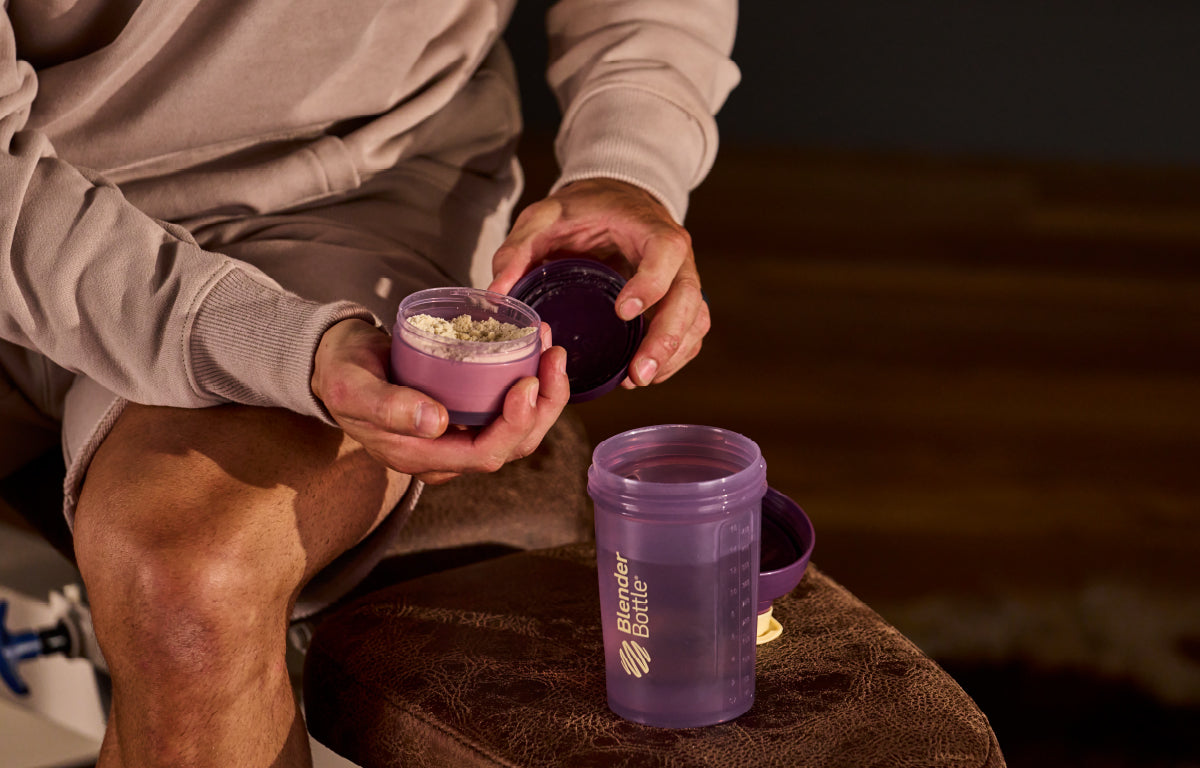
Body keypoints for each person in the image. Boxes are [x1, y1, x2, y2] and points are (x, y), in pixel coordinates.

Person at [0, 0, 740, 765]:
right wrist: (272, 345)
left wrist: (629, 165)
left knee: (190, 590)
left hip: (344, 200)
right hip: (18, 190)